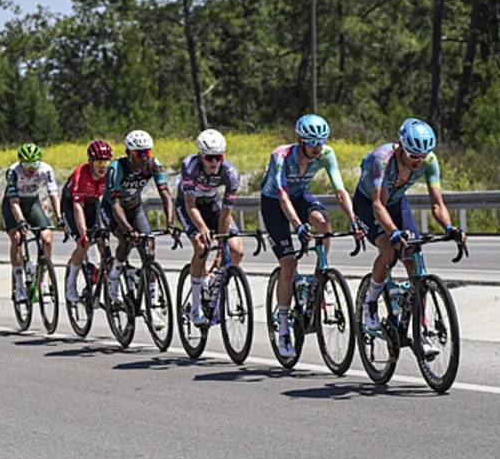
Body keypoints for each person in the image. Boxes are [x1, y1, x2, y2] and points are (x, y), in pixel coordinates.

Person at [355, 118, 465, 356]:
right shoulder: (381, 159)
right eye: (413, 155)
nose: (419, 161)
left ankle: (420, 332)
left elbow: (437, 204)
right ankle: (370, 302)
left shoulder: (429, 160)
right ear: (401, 146)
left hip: (396, 203)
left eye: (422, 156)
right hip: (369, 204)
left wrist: (450, 228)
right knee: (389, 250)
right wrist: (392, 232)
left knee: (415, 262)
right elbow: (377, 204)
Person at [259, 115, 364, 356]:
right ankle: (284, 328)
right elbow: (282, 195)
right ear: (300, 141)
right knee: (288, 264)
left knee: (323, 222)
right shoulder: (281, 156)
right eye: (312, 142)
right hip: (275, 202)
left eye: (321, 142)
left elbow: (340, 190)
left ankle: (321, 274)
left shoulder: (326, 154)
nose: (318, 147)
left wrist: (353, 219)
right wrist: (296, 225)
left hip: (300, 196)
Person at [177, 129, 243, 324]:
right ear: (200, 155)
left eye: (218, 157)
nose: (214, 162)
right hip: (190, 206)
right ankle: (195, 307)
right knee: (201, 246)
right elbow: (190, 205)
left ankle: (215, 281)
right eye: (209, 157)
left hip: (213, 204)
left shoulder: (230, 173)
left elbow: (226, 212)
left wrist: (223, 248)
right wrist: (203, 228)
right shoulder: (190, 167)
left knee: (236, 250)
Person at [102, 130, 176, 302]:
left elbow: (165, 195)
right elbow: (115, 204)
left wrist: (170, 223)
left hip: (135, 207)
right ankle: (114, 275)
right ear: (129, 153)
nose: (144, 157)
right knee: (126, 240)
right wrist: (128, 229)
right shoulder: (116, 168)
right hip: (113, 209)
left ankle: (151, 302)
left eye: (147, 152)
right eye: (140, 153)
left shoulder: (153, 164)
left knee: (149, 251)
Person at [3, 143, 62, 303]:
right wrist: (21, 221)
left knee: (47, 238)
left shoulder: (46, 170)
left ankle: (41, 279)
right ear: (20, 162)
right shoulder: (13, 172)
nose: (31, 168)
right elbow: (14, 202)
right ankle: (20, 286)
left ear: (40, 161)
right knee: (16, 238)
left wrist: (59, 216)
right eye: (27, 164)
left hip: (32, 203)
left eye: (34, 164)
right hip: (13, 205)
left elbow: (53, 195)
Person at [61, 140, 114, 301]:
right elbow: (77, 207)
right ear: (90, 162)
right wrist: (84, 233)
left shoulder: (110, 174)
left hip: (92, 203)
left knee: (102, 240)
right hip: (72, 205)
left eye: (105, 161)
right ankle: (70, 286)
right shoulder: (81, 174)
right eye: (99, 162)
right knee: (83, 244)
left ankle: (102, 276)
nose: (102, 166)